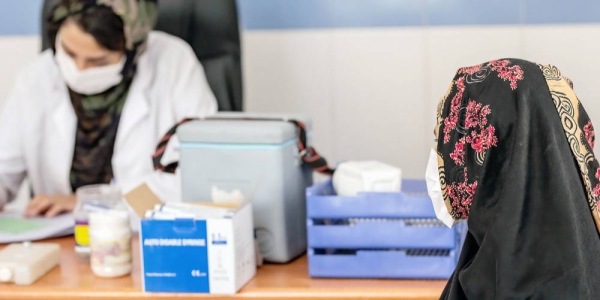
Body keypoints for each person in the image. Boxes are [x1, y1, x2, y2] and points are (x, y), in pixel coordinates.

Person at [0, 0, 217, 217]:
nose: (79, 69)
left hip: (143, 234)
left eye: (98, 62)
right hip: (61, 241)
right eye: (69, 52)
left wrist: (91, 203)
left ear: (133, 49)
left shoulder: (174, 64)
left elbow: (197, 178)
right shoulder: (36, 77)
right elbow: (4, 168)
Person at [426, 59, 600, 299]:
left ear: (487, 153)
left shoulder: (498, 282)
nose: (438, 158)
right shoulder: (583, 262)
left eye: (442, 141)